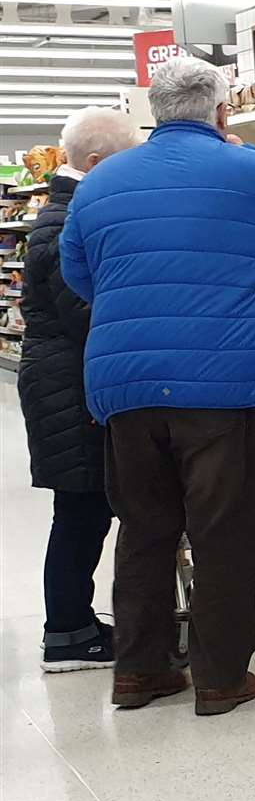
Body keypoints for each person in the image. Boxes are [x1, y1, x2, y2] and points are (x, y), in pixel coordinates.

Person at [59, 56, 255, 716]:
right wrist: (251, 154)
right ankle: (219, 679)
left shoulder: (100, 183)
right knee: (221, 533)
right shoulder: (252, 169)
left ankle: (139, 672)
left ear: (152, 111)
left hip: (127, 386)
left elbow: (78, 272)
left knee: (144, 530)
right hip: (223, 383)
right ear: (222, 111)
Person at [18, 107, 142, 673]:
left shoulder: (64, 215)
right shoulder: (66, 225)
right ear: (97, 163)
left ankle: (74, 623)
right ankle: (66, 632)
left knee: (84, 509)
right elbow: (89, 316)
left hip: (65, 379)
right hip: (71, 385)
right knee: (81, 510)